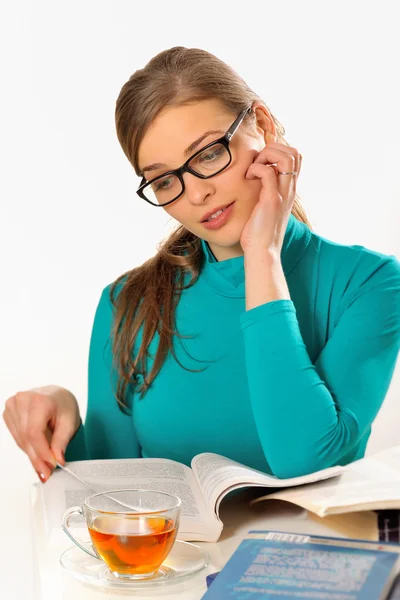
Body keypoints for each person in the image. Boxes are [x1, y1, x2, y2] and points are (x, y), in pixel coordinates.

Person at [4, 46, 400, 485]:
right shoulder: (126, 305)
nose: (195, 195)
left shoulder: (369, 284)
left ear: (263, 126)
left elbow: (305, 460)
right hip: (176, 557)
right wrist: (60, 413)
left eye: (209, 154)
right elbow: (110, 496)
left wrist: (263, 255)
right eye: (165, 180)